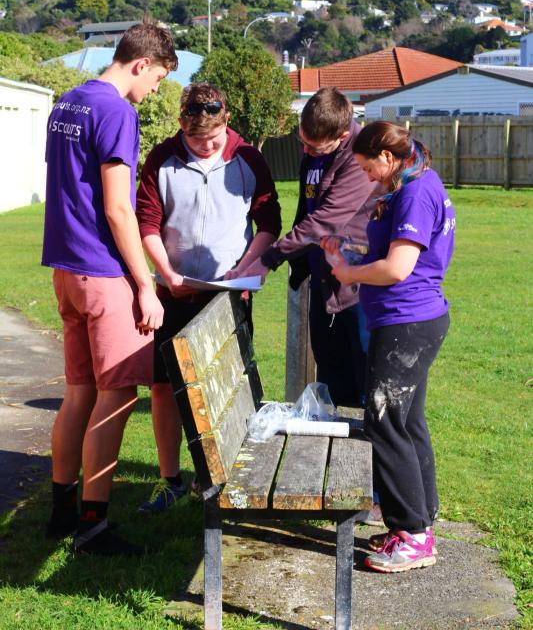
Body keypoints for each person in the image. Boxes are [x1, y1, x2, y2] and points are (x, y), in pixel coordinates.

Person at [42, 22, 177, 555]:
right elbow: (118, 207)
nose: (155, 91)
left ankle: (60, 511)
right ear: (141, 63)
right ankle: (93, 526)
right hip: (101, 273)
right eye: (160, 79)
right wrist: (145, 285)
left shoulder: (67, 101)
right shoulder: (118, 110)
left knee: (78, 391)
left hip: (65, 271)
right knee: (117, 394)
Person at [135, 82, 281, 513]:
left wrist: (248, 265)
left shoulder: (248, 159)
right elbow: (147, 222)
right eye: (196, 140)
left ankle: (220, 477)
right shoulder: (161, 159)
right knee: (164, 390)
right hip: (172, 295)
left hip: (228, 296)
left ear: (226, 123)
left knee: (227, 388)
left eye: (213, 140)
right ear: (181, 126)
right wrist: (167, 273)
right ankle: (169, 480)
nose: (205, 147)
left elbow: (269, 221)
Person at [321, 120, 455, 573]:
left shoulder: (416, 192)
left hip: (405, 323)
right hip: (415, 319)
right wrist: (355, 252)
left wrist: (350, 274)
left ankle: (413, 536)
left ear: (387, 156)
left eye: (367, 168)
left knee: (385, 423)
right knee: (406, 420)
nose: (367, 177)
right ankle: (420, 517)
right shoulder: (418, 177)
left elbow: (399, 269)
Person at [242, 87, 377, 408]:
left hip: (357, 290)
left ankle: (367, 454)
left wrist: (270, 258)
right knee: (331, 379)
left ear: (343, 135)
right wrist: (300, 265)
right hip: (323, 283)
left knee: (364, 385)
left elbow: (323, 222)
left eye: (313, 146)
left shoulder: (359, 159)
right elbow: (306, 212)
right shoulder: (314, 152)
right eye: (302, 141)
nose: (306, 150)